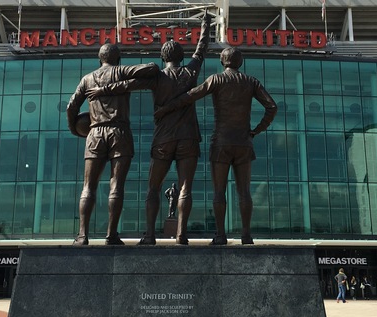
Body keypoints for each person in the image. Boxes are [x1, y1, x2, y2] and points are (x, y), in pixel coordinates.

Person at [86, 14, 211, 245]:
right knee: (185, 187)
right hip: (188, 138)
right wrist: (205, 25)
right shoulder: (190, 71)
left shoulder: (157, 77)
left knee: (154, 187)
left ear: (163, 57)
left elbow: (128, 85)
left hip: (163, 139)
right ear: (181, 57)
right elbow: (202, 48)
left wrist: (103, 90)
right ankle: (182, 235)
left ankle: (150, 235)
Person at [154, 47, 277, 245]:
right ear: (240, 62)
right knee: (244, 191)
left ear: (222, 62)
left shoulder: (216, 80)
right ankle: (246, 235)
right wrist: (256, 130)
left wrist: (166, 108)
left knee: (219, 192)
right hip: (244, 142)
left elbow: (190, 96)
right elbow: (272, 106)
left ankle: (220, 235)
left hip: (221, 142)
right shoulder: (251, 81)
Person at [66, 43, 159, 245]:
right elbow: (152, 67)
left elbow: (71, 106)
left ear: (100, 59)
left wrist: (75, 129)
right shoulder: (121, 71)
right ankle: (111, 235)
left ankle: (82, 235)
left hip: (95, 133)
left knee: (88, 186)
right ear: (118, 59)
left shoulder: (87, 79)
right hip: (119, 132)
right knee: (116, 185)